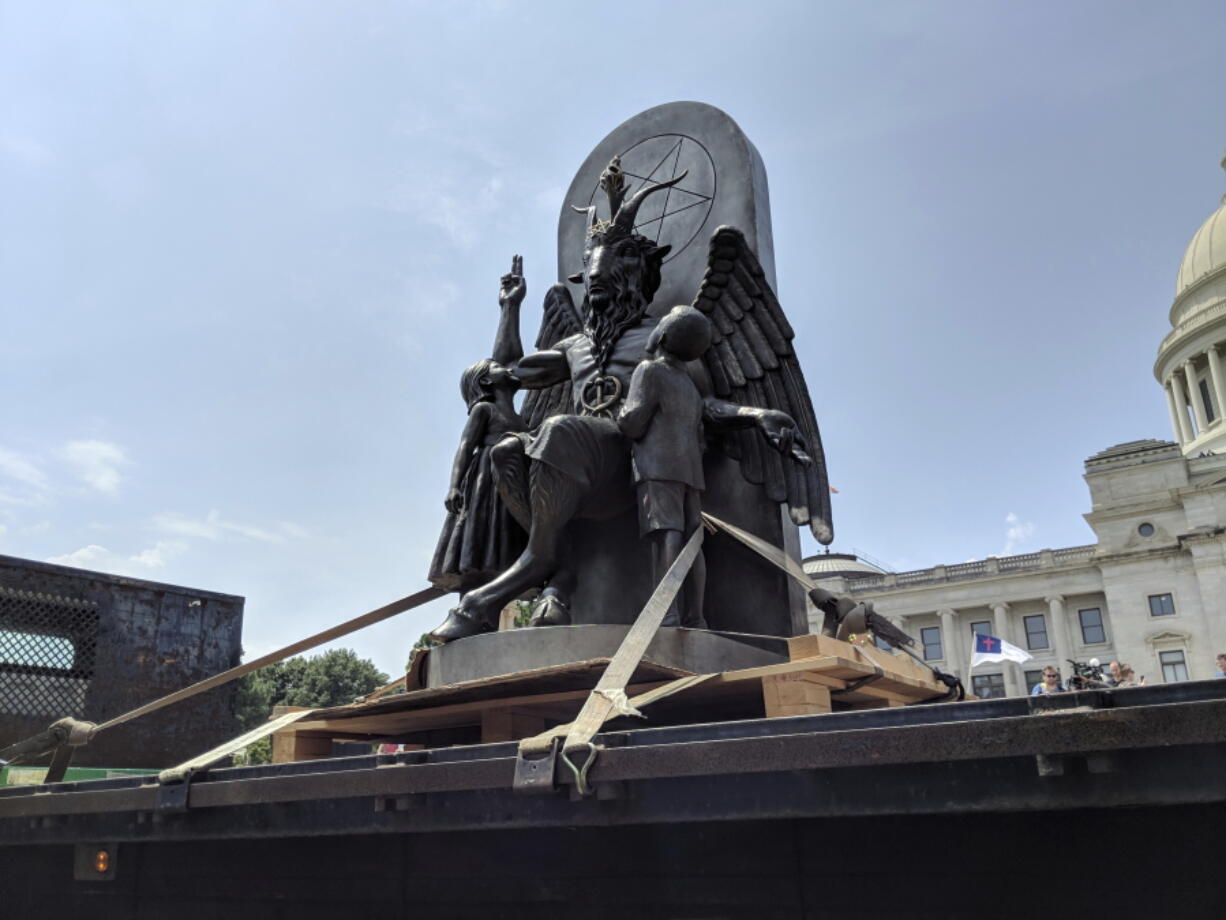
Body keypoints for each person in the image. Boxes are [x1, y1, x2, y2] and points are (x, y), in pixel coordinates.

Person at [617, 305, 712, 628]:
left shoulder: (649, 370)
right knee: (692, 540)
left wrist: (619, 411)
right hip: (691, 471)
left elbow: (633, 422)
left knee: (666, 535)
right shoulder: (690, 386)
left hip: (657, 466)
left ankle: (666, 613)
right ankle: (696, 616)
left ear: (665, 334)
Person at [427, 356, 527, 593]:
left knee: (505, 548)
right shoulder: (484, 410)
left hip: (514, 483)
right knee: (480, 547)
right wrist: (454, 486)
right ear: (485, 380)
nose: (509, 368)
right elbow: (465, 445)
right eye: (499, 366)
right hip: (487, 481)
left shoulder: (522, 420)